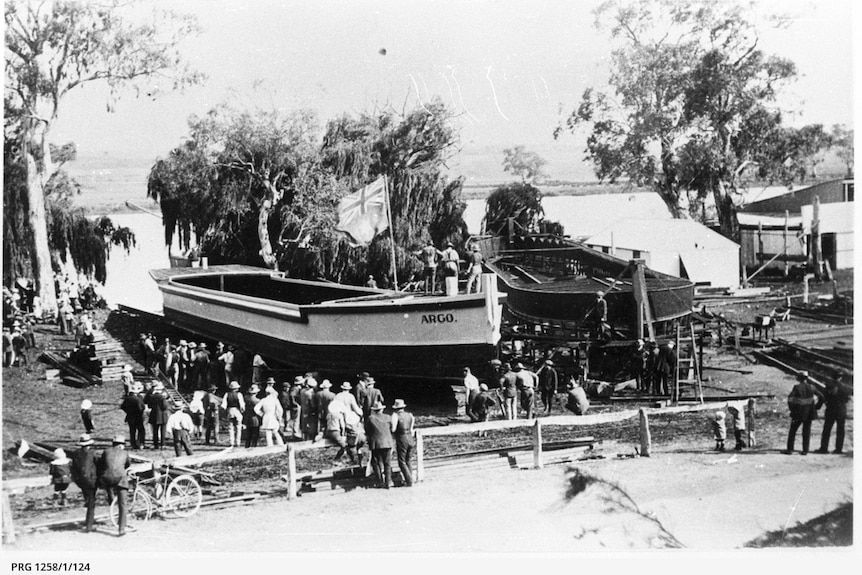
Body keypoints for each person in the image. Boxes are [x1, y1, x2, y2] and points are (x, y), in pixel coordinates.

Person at [783, 371, 824, 455]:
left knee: (793, 431)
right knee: (806, 431)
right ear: (807, 378)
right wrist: (816, 407)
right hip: (809, 413)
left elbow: (790, 399)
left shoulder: (796, 387)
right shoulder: (812, 387)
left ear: (799, 379)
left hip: (798, 413)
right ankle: (805, 450)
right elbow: (822, 397)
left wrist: (792, 409)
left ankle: (790, 449)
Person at [98, 434, 131, 536]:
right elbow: (127, 465)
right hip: (120, 479)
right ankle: (121, 528)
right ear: (121, 445)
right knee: (123, 503)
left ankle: (111, 498)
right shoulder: (125, 453)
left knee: (109, 484)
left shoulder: (106, 451)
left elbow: (102, 464)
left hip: (107, 479)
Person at [70, 433, 99, 533]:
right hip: (91, 480)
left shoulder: (76, 453)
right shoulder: (93, 453)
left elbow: (73, 467)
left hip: (80, 480)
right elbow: (98, 465)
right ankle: (89, 525)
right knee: (91, 501)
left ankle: (89, 520)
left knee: (88, 499)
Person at [815, 379, 850, 454]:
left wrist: (818, 406)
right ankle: (838, 449)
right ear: (841, 377)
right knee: (840, 430)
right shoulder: (845, 388)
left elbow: (823, 397)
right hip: (841, 411)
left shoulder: (829, 385)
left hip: (831, 410)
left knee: (827, 430)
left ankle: (824, 448)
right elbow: (847, 399)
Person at [365, 401, 394, 488]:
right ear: (382, 409)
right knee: (387, 462)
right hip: (387, 442)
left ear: (374, 410)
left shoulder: (371, 418)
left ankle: (379, 481)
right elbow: (392, 428)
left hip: (376, 443)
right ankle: (389, 481)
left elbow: (367, 430)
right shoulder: (388, 417)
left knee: (376, 462)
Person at [390, 399, 414, 487]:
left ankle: (409, 480)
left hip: (401, 438)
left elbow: (393, 429)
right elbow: (411, 428)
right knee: (408, 459)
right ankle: (410, 478)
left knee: (401, 461)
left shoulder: (395, 416)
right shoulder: (410, 415)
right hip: (410, 437)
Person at [120, 382, 147, 450]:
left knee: (132, 431)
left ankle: (133, 444)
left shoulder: (127, 398)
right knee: (141, 431)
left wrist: (128, 411)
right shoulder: (138, 399)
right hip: (138, 417)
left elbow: (122, 406)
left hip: (130, 417)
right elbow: (142, 407)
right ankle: (141, 443)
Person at [146, 382, 171, 450]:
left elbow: (149, 405)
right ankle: (162, 444)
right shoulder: (162, 398)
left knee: (155, 431)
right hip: (162, 415)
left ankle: (155, 445)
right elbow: (164, 407)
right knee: (163, 431)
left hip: (154, 414)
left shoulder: (151, 397)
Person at [221, 381, 245, 448]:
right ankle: (238, 442)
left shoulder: (226, 394)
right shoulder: (239, 394)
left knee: (230, 427)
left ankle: (231, 442)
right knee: (238, 427)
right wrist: (242, 411)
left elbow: (223, 405)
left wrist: (225, 411)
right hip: (237, 410)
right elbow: (242, 405)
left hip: (230, 410)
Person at [243, 383, 262, 448]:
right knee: (255, 432)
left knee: (248, 432)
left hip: (247, 417)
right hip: (255, 417)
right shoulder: (257, 400)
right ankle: (254, 445)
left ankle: (247, 445)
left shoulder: (245, 398)